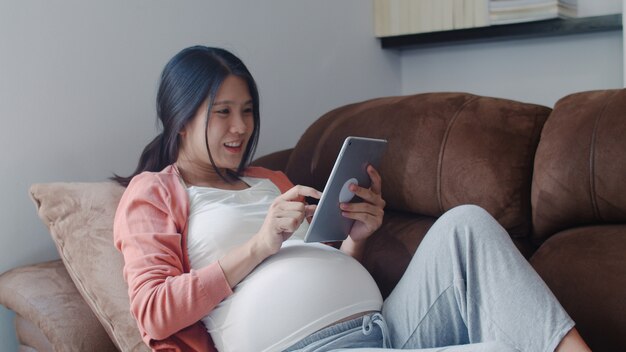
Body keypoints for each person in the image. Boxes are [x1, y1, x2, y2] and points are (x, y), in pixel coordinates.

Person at [113, 46, 591, 352]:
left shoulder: (269, 180)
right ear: (179, 117)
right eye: (222, 113)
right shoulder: (154, 192)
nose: (241, 127)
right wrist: (260, 244)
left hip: (383, 327)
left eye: (247, 111)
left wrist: (356, 240)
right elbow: (154, 312)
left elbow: (324, 268)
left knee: (466, 224)